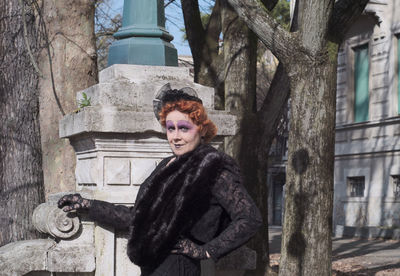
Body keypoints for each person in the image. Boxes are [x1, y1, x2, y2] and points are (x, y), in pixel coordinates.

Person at [58, 87, 262, 276]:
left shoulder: (213, 168)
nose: (175, 136)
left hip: (178, 266)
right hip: (153, 266)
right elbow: (138, 217)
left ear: (200, 129)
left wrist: (206, 251)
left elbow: (250, 218)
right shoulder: (167, 164)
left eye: (184, 128)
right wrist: (89, 206)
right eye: (170, 128)